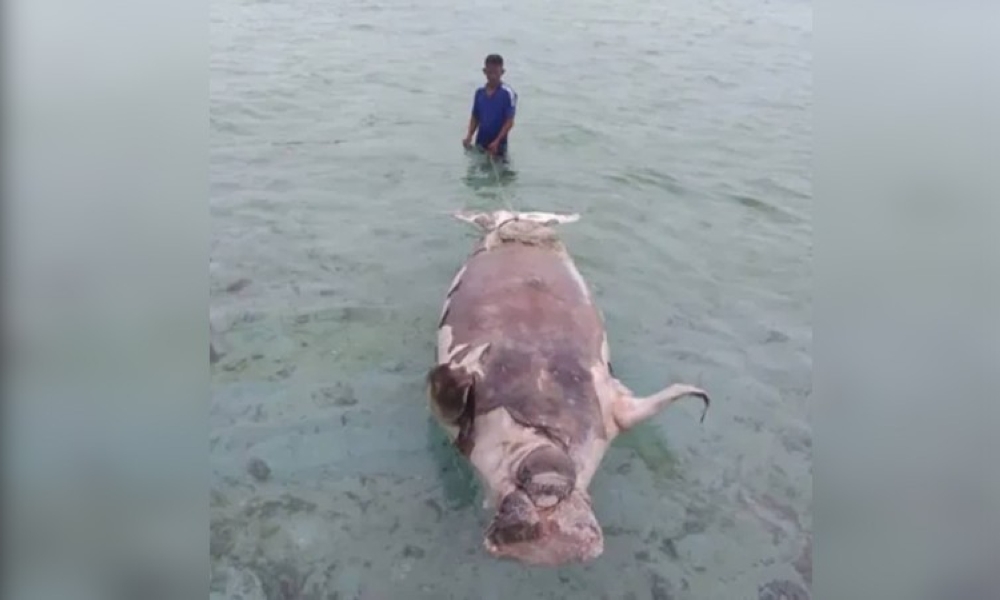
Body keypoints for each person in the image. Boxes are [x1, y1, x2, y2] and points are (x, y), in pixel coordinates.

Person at [463, 54, 517, 158]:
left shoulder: (508, 93)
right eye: (490, 72)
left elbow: (509, 122)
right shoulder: (479, 93)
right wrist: (469, 136)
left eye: (496, 73)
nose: (493, 76)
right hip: (480, 142)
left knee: (499, 172)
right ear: (484, 71)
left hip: (499, 145)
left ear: (502, 72)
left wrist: (497, 142)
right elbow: (475, 117)